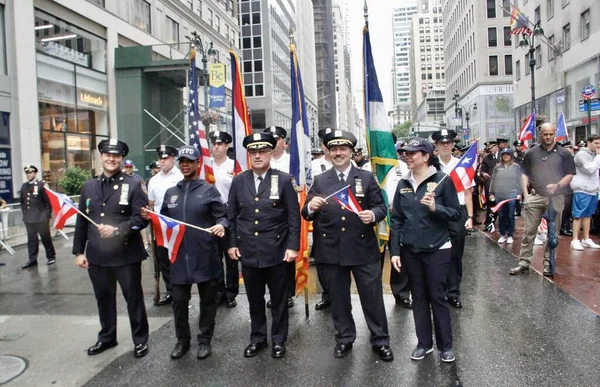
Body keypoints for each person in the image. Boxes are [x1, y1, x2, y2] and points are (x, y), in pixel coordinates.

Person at [302, 129, 394, 361]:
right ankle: (344, 338)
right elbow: (306, 212)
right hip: (331, 251)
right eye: (334, 149)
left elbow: (381, 208)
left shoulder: (365, 177)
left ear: (351, 152)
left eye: (343, 149)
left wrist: (372, 215)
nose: (338, 153)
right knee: (339, 299)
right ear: (329, 153)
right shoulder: (321, 180)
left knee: (372, 297)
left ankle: (380, 340)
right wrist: (312, 205)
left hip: (362, 249)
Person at [143, 145, 228, 360]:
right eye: (182, 161)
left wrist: (221, 225)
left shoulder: (209, 190)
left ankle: (204, 340)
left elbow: (223, 216)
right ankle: (182, 340)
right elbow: (163, 221)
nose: (185, 165)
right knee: (179, 301)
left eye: (189, 161)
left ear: (198, 163)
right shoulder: (172, 192)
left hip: (204, 255)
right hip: (178, 256)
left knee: (208, 301)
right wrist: (149, 217)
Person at [73, 138, 150, 358]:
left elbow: (141, 219)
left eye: (116, 155)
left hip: (126, 254)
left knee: (133, 299)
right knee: (104, 299)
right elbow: (82, 222)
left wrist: (117, 230)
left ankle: (140, 340)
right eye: (107, 154)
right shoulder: (89, 186)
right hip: (97, 256)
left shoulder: (133, 184)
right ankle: (107, 337)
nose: (111, 159)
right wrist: (79, 252)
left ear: (121, 158)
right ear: (101, 156)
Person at [227, 132, 300, 359]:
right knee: (254, 300)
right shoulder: (239, 181)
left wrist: (293, 246)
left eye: (262, 151)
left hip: (277, 251)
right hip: (249, 251)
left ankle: (279, 340)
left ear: (270, 153)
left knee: (278, 300)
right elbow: (231, 216)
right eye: (253, 152)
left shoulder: (285, 179)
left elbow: (293, 218)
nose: (257, 156)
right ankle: (258, 339)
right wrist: (231, 244)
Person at [389, 137, 461, 363]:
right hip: (411, 250)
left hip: (437, 248)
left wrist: (435, 208)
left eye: (413, 153)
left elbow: (456, 214)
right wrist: (395, 251)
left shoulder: (442, 181)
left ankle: (446, 346)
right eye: (405, 153)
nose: (407, 157)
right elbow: (397, 220)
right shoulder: (403, 184)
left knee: (437, 297)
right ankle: (424, 343)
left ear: (427, 156)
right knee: (418, 297)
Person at [509, 123, 576, 276]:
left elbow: (570, 174)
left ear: (555, 134)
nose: (548, 137)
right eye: (545, 134)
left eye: (551, 134)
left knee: (552, 234)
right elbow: (524, 174)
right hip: (536, 195)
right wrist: (526, 195)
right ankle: (524, 263)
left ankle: (548, 263)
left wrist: (558, 185)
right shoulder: (531, 153)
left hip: (556, 197)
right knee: (529, 231)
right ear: (540, 134)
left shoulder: (564, 153)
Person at [432, 129, 474, 309]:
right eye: (442, 143)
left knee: (455, 255)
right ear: (436, 146)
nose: (445, 146)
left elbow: (468, 192)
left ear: (453, 144)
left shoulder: (462, 165)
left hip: (457, 212)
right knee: (436, 254)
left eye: (448, 142)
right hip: (436, 212)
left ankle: (453, 292)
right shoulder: (432, 166)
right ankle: (437, 292)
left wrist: (470, 216)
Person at [262, 126, 295, 308]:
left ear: (284, 141)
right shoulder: (261, 161)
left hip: (288, 212)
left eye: (278, 138)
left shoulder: (292, 161)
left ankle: (287, 293)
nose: (275, 142)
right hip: (267, 215)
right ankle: (273, 292)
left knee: (287, 256)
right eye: (271, 139)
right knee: (269, 257)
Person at [147, 145, 183, 306]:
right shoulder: (153, 181)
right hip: (160, 226)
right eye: (160, 158)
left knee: (179, 259)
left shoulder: (181, 176)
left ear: (173, 158)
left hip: (179, 224)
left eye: (165, 158)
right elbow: (151, 205)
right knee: (163, 261)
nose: (162, 161)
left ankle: (181, 292)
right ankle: (170, 292)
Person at [209, 130, 239, 308]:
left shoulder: (233, 165)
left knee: (231, 256)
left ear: (227, 145)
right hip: (210, 214)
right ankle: (218, 291)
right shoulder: (206, 164)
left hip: (229, 211)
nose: (216, 147)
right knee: (214, 256)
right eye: (214, 143)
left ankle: (231, 292)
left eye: (220, 143)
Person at [383, 144, 412, 309]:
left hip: (396, 214)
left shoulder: (402, 167)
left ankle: (401, 293)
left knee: (398, 253)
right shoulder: (367, 166)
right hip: (375, 217)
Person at [20, 165, 56, 269]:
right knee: (32, 239)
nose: (28, 175)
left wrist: (46, 217)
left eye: (30, 172)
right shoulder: (24, 186)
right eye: (27, 173)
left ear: (35, 173)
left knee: (46, 238)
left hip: (40, 218)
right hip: (29, 219)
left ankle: (51, 257)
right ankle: (32, 259)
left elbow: (48, 204)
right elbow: (22, 203)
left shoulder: (41, 185)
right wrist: (25, 215)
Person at [569, 135, 600, 250]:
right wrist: (598, 157)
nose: (598, 145)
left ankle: (586, 238)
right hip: (582, 189)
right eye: (596, 143)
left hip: (593, 189)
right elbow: (589, 169)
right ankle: (575, 239)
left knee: (588, 215)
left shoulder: (595, 155)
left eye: (599, 143)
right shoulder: (581, 155)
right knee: (578, 215)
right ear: (589, 142)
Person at [490, 148, 522, 245]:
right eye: (504, 154)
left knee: (510, 215)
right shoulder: (497, 167)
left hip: (511, 192)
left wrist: (519, 193)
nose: (506, 156)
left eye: (508, 154)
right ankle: (503, 234)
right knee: (502, 215)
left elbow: (519, 181)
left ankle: (511, 235)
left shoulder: (516, 167)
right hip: (500, 193)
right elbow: (493, 180)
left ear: (511, 156)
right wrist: (491, 193)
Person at [559, 142, 575, 236]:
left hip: (570, 186)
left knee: (568, 208)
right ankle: (562, 227)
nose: (570, 150)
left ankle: (566, 226)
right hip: (561, 186)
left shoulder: (571, 159)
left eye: (571, 148)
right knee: (563, 209)